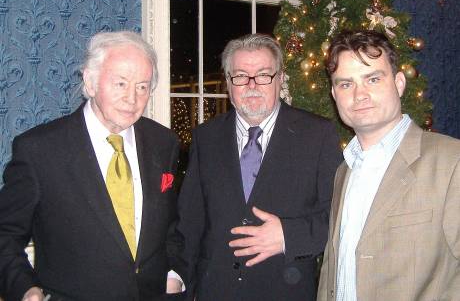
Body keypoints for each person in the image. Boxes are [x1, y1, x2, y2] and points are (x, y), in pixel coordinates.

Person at [0, 31, 185, 301]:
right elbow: (4, 234)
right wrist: (26, 289)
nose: (132, 98)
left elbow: (171, 225)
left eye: (142, 86)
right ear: (90, 81)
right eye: (121, 83)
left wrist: (174, 276)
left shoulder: (164, 142)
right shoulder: (39, 150)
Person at [176, 33, 342, 301]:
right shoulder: (206, 137)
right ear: (228, 83)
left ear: (280, 79)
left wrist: (288, 236)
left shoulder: (318, 135)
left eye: (264, 75)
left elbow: (338, 217)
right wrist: (182, 283)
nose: (252, 85)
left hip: (286, 291)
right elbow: (190, 222)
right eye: (240, 76)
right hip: (216, 291)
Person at [317, 30, 460, 301]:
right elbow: (332, 271)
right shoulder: (344, 170)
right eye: (346, 84)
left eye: (372, 79)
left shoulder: (451, 162)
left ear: (399, 83)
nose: (359, 94)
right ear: (334, 94)